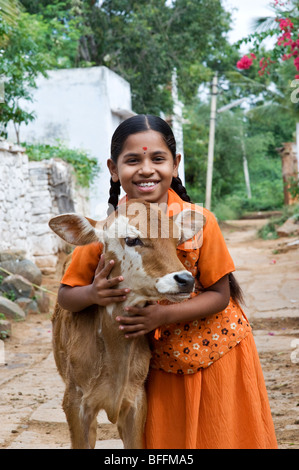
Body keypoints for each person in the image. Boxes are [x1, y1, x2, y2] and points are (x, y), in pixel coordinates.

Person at [58, 114, 278, 449]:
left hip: (216, 352)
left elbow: (221, 295)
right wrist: (93, 292)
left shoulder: (198, 221)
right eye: (133, 160)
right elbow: (66, 296)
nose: (146, 169)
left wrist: (161, 316)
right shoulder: (109, 231)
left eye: (157, 158)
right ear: (114, 169)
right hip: (152, 362)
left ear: (175, 165)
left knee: (220, 433)